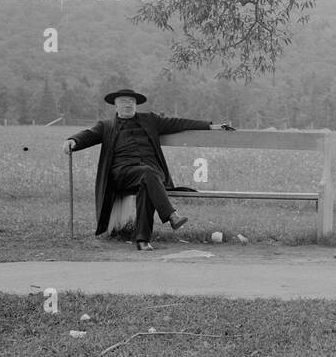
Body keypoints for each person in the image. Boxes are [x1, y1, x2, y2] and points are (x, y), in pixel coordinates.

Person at [64, 88, 234, 251]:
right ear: (115, 106)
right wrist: (74, 140)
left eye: (131, 101)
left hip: (149, 176)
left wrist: (210, 126)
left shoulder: (149, 120)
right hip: (122, 174)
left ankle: (142, 241)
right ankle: (171, 215)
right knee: (148, 174)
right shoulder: (107, 126)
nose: (128, 104)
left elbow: (178, 123)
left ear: (136, 104)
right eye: (123, 101)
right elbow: (89, 134)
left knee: (147, 183)